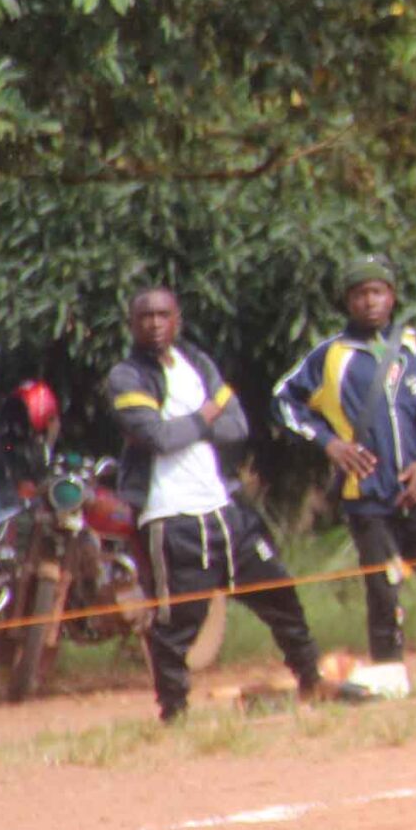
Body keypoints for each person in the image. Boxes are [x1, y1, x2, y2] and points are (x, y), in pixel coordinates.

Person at [108, 287, 333, 722]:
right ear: (132, 324)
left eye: (163, 315)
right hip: (172, 517)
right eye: (146, 316)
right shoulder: (126, 376)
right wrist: (204, 415)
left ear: (177, 320)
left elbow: (237, 427)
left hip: (224, 510)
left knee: (279, 593)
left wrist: (189, 425)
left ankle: (311, 680)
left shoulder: (198, 362)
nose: (155, 323)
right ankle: (174, 714)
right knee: (177, 624)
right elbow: (157, 437)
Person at [275, 255, 416, 684]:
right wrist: (329, 443)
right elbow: (283, 400)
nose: (369, 301)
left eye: (377, 292)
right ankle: (390, 677)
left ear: (391, 296)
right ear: (348, 301)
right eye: (360, 294)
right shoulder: (330, 355)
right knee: (384, 591)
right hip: (365, 497)